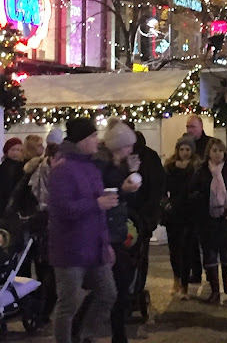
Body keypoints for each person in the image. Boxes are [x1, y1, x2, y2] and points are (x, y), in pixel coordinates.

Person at [48, 118, 117, 343]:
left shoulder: (90, 166)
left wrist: (105, 243)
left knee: (108, 294)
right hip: (70, 247)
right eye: (93, 136)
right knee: (67, 304)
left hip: (94, 246)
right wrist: (96, 204)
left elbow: (98, 211)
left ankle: (87, 336)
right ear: (81, 140)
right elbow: (62, 209)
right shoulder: (62, 168)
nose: (97, 139)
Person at [6, 127, 63, 323]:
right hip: (38, 223)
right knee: (42, 267)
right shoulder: (35, 168)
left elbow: (17, 196)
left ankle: (31, 307)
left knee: (29, 266)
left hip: (30, 223)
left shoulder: (31, 168)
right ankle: (38, 309)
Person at [94, 118, 141, 343]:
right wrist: (125, 188)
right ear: (117, 146)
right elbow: (110, 197)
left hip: (117, 231)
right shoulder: (103, 166)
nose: (130, 150)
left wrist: (130, 175)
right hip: (108, 234)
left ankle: (117, 334)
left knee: (119, 286)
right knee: (115, 288)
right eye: (128, 146)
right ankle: (112, 334)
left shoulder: (115, 165)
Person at [190, 138, 227, 304]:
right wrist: (200, 198)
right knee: (210, 253)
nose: (218, 154)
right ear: (209, 152)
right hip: (207, 217)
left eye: (221, 150)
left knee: (226, 251)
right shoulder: (201, 170)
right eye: (214, 150)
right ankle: (215, 290)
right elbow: (192, 190)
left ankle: (226, 278)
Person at [128, 125, 165, 297]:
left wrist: (148, 216)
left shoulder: (148, 157)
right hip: (134, 216)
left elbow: (156, 188)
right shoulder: (121, 155)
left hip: (141, 216)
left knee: (139, 256)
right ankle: (133, 292)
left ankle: (136, 292)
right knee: (136, 257)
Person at [164, 134, 198, 299]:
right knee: (174, 248)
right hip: (174, 212)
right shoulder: (170, 167)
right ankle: (176, 279)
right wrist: (166, 203)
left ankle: (184, 285)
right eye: (182, 149)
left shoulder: (195, 167)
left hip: (189, 212)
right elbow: (163, 188)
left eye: (188, 149)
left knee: (187, 249)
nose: (185, 152)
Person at [185, 115, 212, 283]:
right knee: (191, 240)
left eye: (192, 126)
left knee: (206, 240)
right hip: (190, 200)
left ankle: (210, 271)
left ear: (201, 127)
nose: (189, 130)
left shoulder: (209, 144)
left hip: (205, 198)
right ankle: (196, 272)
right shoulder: (186, 144)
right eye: (188, 126)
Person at [0, 137, 24, 217]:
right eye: (13, 150)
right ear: (7, 151)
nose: (16, 153)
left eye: (19, 150)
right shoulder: (5, 167)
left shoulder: (22, 166)